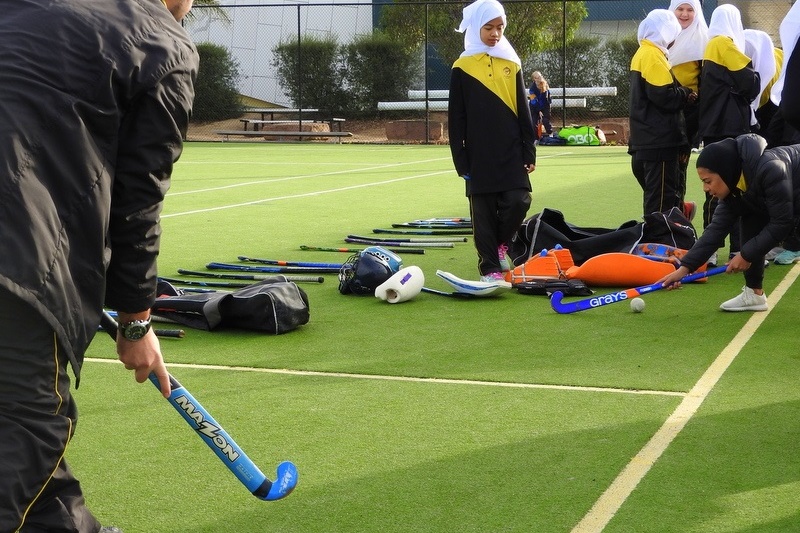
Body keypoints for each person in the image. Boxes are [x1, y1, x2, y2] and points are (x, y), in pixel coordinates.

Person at [0, 1, 198, 532]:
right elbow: (138, 205)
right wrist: (136, 321)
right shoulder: (162, 42)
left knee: (35, 475)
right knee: (26, 435)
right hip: (17, 265)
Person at [658, 134, 800, 311]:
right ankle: (754, 294)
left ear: (724, 171)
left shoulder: (771, 169)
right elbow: (715, 230)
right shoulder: (733, 187)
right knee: (750, 217)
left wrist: (746, 255)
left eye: (708, 181)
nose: (706, 188)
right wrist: (684, 268)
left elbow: (781, 223)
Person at [448, 0, 536, 282]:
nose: (495, 33)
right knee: (482, 213)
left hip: (510, 149)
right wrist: (460, 158)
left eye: (500, 27)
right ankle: (489, 268)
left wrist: (528, 150)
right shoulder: (461, 67)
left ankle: (501, 245)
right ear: (476, 28)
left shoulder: (512, 62)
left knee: (520, 199)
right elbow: (456, 118)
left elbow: (524, 110)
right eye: (489, 27)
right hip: (477, 152)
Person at [698, 4, 761, 266]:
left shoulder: (711, 45)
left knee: (717, 191)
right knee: (732, 190)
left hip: (716, 128)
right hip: (729, 129)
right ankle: (733, 249)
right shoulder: (723, 44)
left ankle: (714, 250)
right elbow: (751, 81)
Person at [628, 9, 696, 218]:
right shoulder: (653, 55)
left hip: (645, 140)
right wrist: (685, 93)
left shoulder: (644, 52)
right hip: (660, 142)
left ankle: (671, 223)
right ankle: (659, 244)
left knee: (657, 197)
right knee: (660, 202)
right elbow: (664, 96)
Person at [667, 0, 708, 220]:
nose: (684, 14)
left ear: (697, 12)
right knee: (659, 167)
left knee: (679, 166)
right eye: (680, 9)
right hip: (663, 108)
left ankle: (678, 213)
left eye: (690, 9)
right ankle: (673, 211)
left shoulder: (704, 39)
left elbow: (705, 81)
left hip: (690, 111)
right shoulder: (662, 36)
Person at [528, 71, 553, 138]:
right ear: (534, 79)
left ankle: (550, 134)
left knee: (545, 120)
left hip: (545, 106)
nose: (540, 78)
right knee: (533, 123)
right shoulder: (532, 89)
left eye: (540, 76)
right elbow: (533, 101)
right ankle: (536, 138)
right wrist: (539, 110)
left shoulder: (545, 85)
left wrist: (545, 108)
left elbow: (547, 98)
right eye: (537, 77)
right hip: (534, 107)